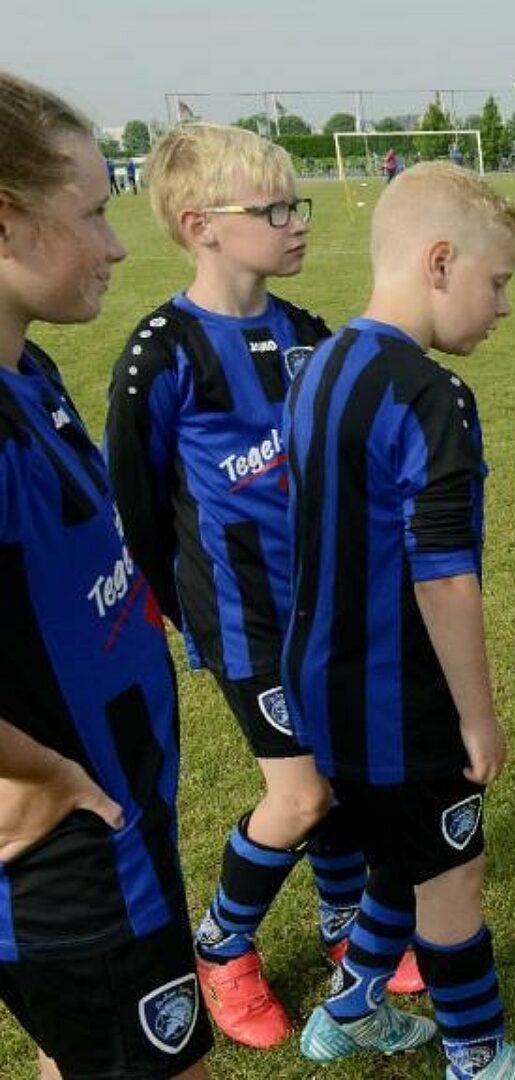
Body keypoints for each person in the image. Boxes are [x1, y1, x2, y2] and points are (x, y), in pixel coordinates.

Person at [104, 121, 422, 1051]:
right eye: (274, 209)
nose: (298, 222)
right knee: (301, 797)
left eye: (296, 205)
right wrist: (181, 616)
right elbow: (135, 504)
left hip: (326, 608)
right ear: (200, 225)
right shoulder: (162, 353)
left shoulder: (306, 335)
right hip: (242, 619)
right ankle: (222, 946)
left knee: (342, 778)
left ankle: (341, 924)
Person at [284, 163, 515, 1078]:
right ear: (438, 263)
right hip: (400, 692)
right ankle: (480, 1057)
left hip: (322, 680)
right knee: (453, 875)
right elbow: (444, 579)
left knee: (401, 848)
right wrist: (477, 716)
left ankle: (351, 1010)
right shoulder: (430, 395)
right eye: (495, 282)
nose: (503, 306)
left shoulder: (318, 364)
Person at [0, 70, 214, 1080]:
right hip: (72, 858)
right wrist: (44, 774)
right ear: (5, 221)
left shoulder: (28, 374)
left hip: (115, 820)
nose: (117, 245)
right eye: (91, 213)